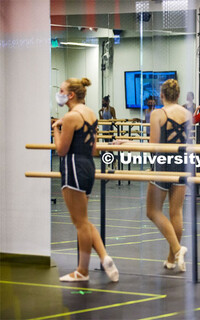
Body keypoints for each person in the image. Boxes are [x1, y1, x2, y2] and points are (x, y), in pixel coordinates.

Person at [52, 78, 119, 282]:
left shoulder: (72, 117)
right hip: (88, 166)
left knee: (80, 223)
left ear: (71, 95)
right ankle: (104, 256)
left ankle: (82, 270)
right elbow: (93, 148)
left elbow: (62, 150)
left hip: (73, 166)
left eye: (62, 90)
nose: (59, 93)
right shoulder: (90, 113)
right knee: (83, 220)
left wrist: (56, 128)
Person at [147, 79, 190, 271]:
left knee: (152, 211)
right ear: (178, 96)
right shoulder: (187, 113)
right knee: (176, 211)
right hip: (183, 163)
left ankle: (177, 249)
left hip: (164, 164)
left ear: (161, 95)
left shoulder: (158, 114)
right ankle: (172, 259)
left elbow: (154, 146)